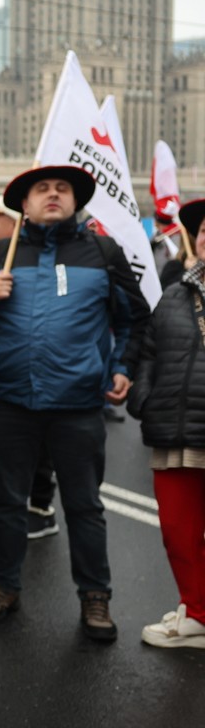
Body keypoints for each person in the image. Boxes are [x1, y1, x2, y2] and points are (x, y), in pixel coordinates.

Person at [0, 165, 149, 641]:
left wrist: (122, 368)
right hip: (11, 403)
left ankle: (95, 596)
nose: (52, 195)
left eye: (62, 188)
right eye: (41, 189)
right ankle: (4, 585)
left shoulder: (102, 253)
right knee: (8, 502)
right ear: (23, 205)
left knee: (84, 506)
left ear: (75, 200)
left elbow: (134, 320)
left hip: (78, 406)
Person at [127, 197, 205, 649]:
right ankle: (196, 613)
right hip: (175, 432)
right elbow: (149, 353)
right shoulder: (175, 293)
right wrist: (143, 396)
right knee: (180, 533)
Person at [0, 194, 59, 538]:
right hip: (0, 378)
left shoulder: (48, 258)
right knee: (4, 451)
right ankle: (8, 502)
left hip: (44, 380)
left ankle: (40, 507)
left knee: (40, 449)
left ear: (17, 221)